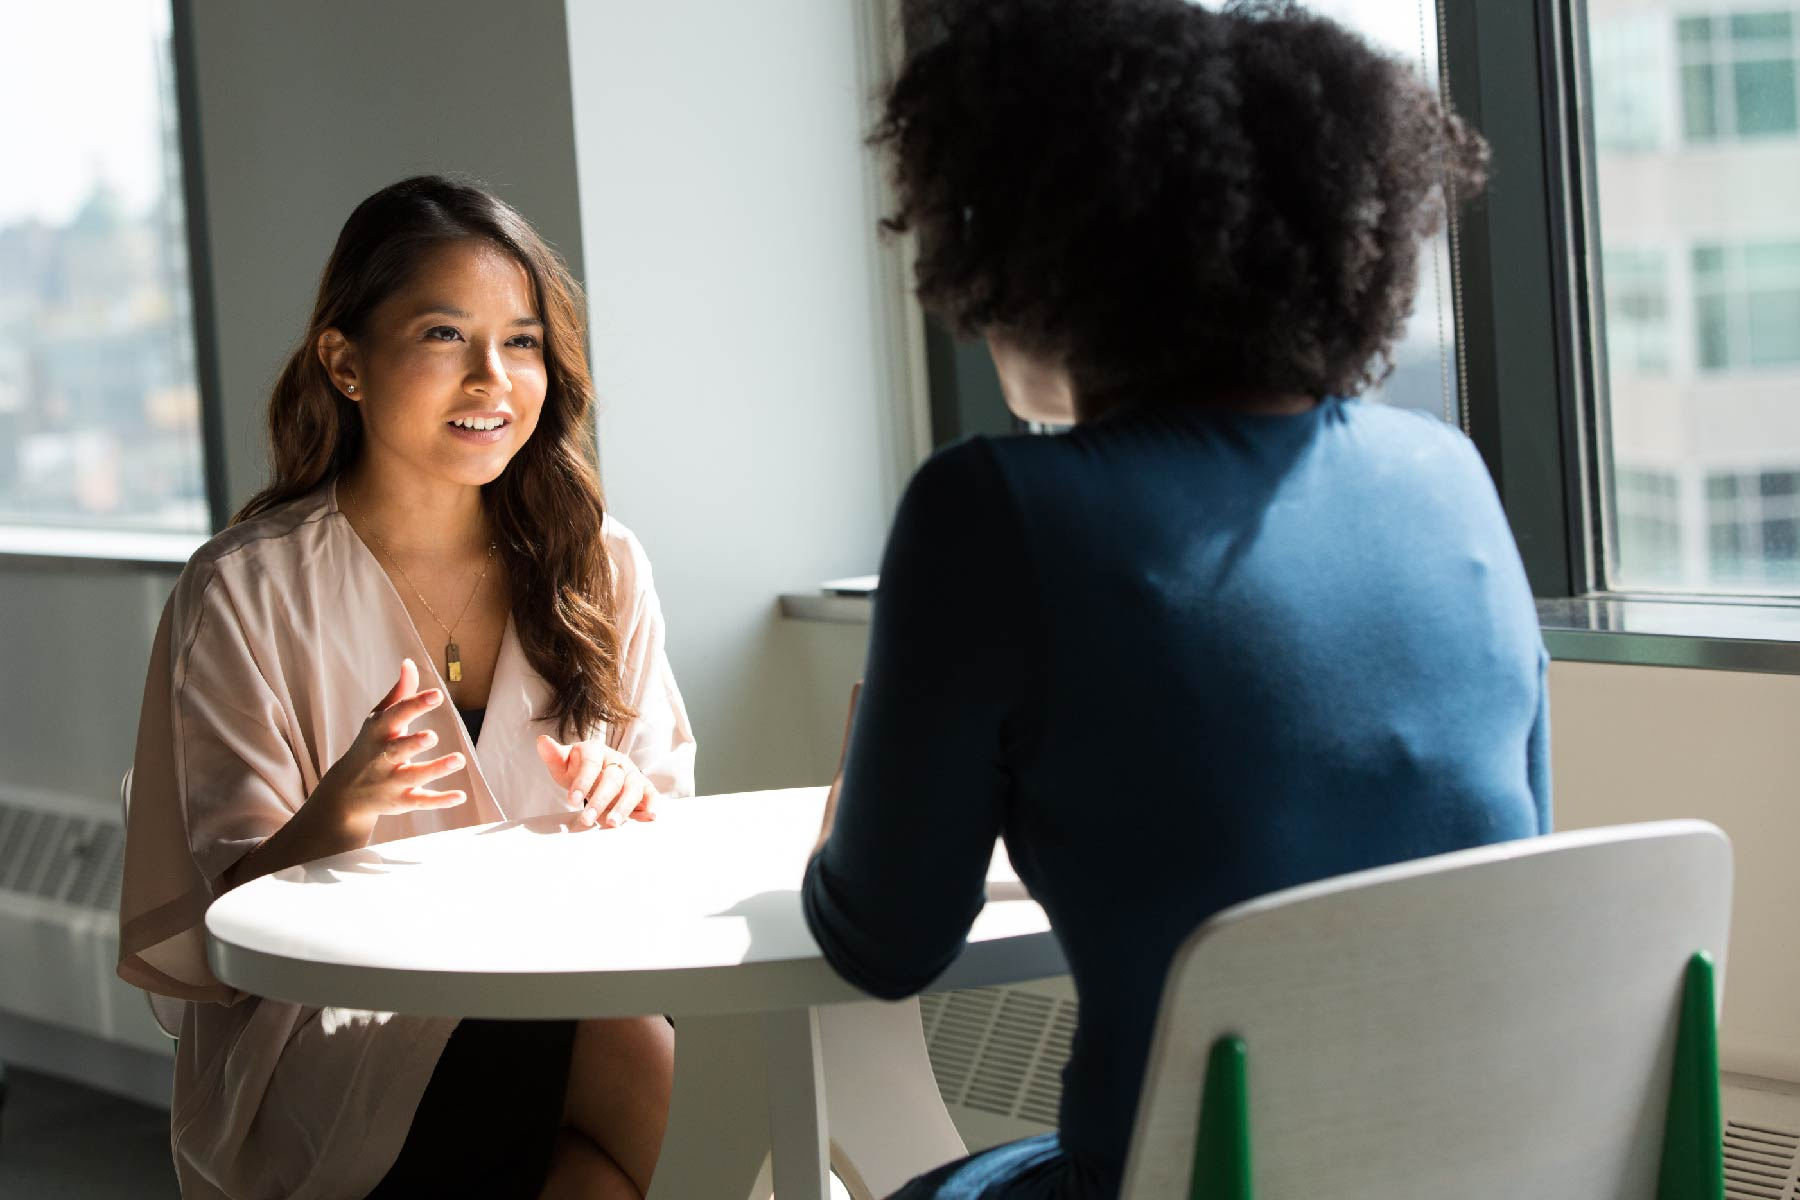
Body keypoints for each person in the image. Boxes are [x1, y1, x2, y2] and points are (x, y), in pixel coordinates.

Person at [800, 2, 1546, 1197]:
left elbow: (884, 944)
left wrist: (857, 817)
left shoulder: (991, 508)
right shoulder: (1447, 478)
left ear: (1040, 256)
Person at [117, 176, 694, 1200]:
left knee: (621, 1094)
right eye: (444, 336)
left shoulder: (601, 564)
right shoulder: (245, 590)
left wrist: (632, 803)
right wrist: (329, 824)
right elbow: (223, 936)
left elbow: (670, 833)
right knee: (634, 1055)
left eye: (521, 342)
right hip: (330, 1039)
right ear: (346, 363)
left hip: (572, 988)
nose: (494, 379)